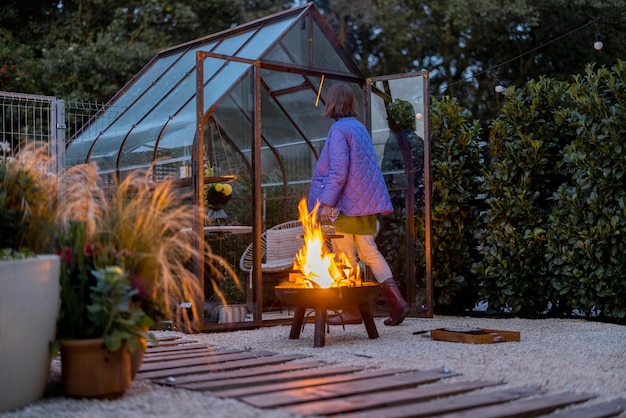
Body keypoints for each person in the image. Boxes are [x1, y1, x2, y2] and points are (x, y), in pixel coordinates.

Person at [307, 83, 410, 326]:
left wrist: (325, 204)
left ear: (332, 103)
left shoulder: (338, 130)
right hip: (366, 207)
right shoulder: (359, 128)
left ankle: (352, 310)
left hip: (344, 208)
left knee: (345, 257)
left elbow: (338, 172)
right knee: (370, 253)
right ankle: (397, 303)